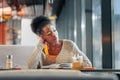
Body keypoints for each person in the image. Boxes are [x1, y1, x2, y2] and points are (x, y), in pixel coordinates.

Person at [27, 15, 92, 69]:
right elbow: (30, 67)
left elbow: (88, 64)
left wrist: (72, 66)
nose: (54, 34)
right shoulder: (40, 50)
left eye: (54, 30)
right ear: (41, 37)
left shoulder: (69, 45)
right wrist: (40, 46)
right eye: (49, 33)